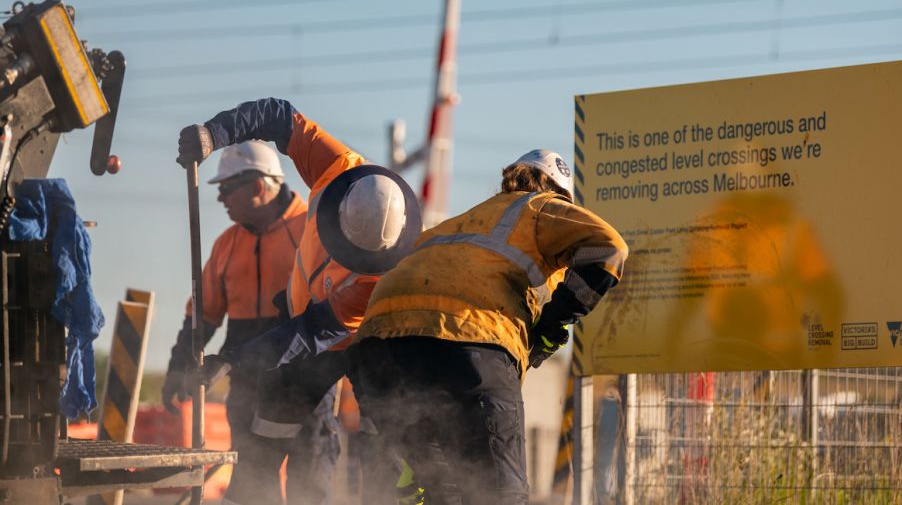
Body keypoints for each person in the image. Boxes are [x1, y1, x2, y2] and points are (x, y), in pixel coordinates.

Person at [347, 149, 629, 505]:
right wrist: (553, 325)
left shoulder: (455, 225)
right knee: (500, 495)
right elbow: (610, 248)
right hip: (467, 345)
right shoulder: (540, 207)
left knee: (445, 492)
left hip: (376, 352)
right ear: (557, 194)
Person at [176, 98, 421, 505]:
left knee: (381, 452)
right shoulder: (335, 166)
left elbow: (313, 331)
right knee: (264, 441)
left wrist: (237, 357)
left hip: (368, 343)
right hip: (301, 323)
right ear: (338, 208)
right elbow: (276, 115)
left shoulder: (378, 279)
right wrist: (214, 134)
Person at [162, 140, 327, 505]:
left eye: (225, 188)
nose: (221, 198)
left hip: (307, 380)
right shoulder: (226, 244)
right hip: (247, 382)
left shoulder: (310, 232)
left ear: (257, 186)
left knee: (310, 477)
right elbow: (202, 317)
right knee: (252, 479)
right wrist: (178, 367)